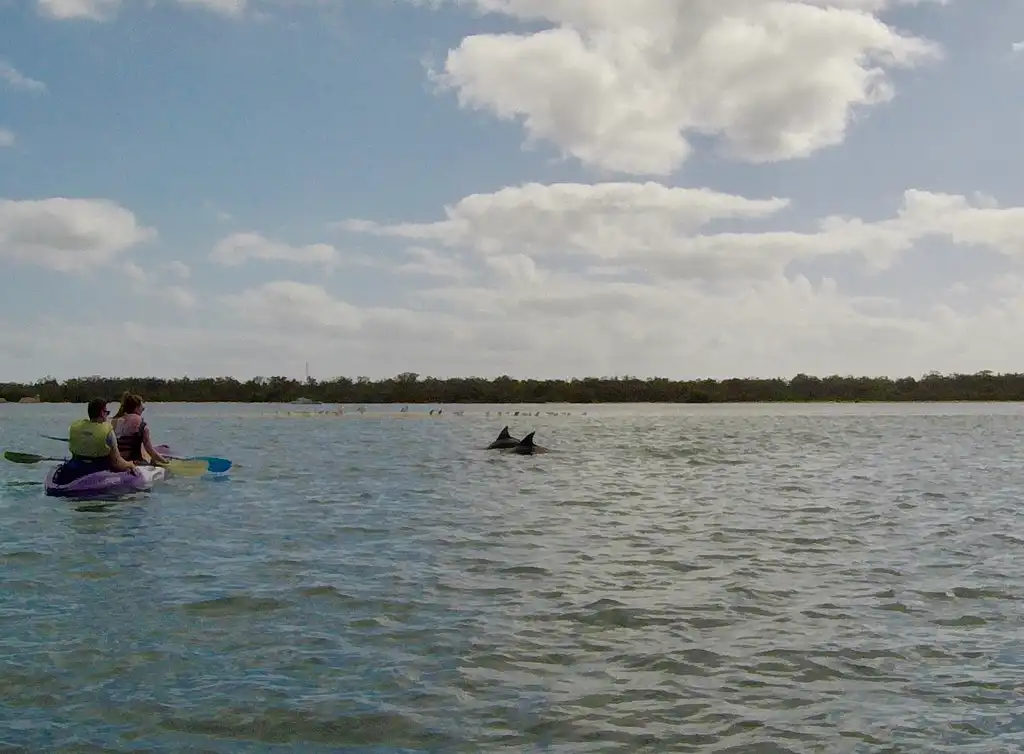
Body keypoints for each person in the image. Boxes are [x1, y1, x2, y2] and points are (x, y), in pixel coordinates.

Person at [52, 398, 138, 484]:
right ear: (101, 413)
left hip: (73, 469)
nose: (107, 416)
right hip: (96, 473)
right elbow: (117, 463)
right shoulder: (108, 431)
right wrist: (130, 464)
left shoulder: (75, 427)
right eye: (106, 412)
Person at [111, 391, 170, 466]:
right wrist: (165, 461)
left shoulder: (114, 422)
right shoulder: (142, 425)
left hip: (115, 461)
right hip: (134, 462)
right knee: (153, 460)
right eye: (141, 406)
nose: (143, 408)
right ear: (136, 407)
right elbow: (150, 451)